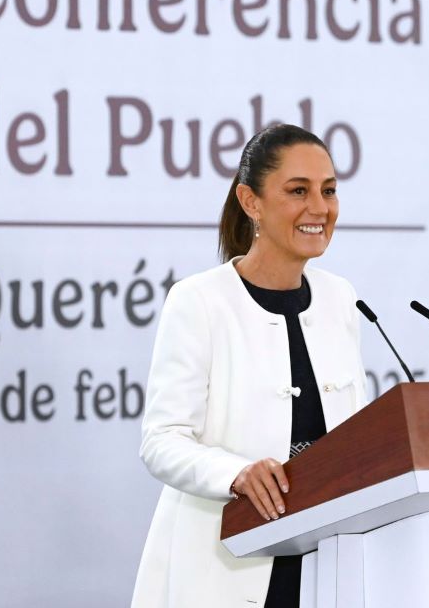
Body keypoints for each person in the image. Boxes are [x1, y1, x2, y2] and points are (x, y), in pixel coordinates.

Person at [131, 124, 368, 607]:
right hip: (226, 566)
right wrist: (236, 473)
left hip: (329, 563)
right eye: (298, 191)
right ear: (251, 201)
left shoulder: (341, 298)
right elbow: (161, 440)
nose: (319, 209)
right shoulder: (199, 300)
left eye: (329, 191)